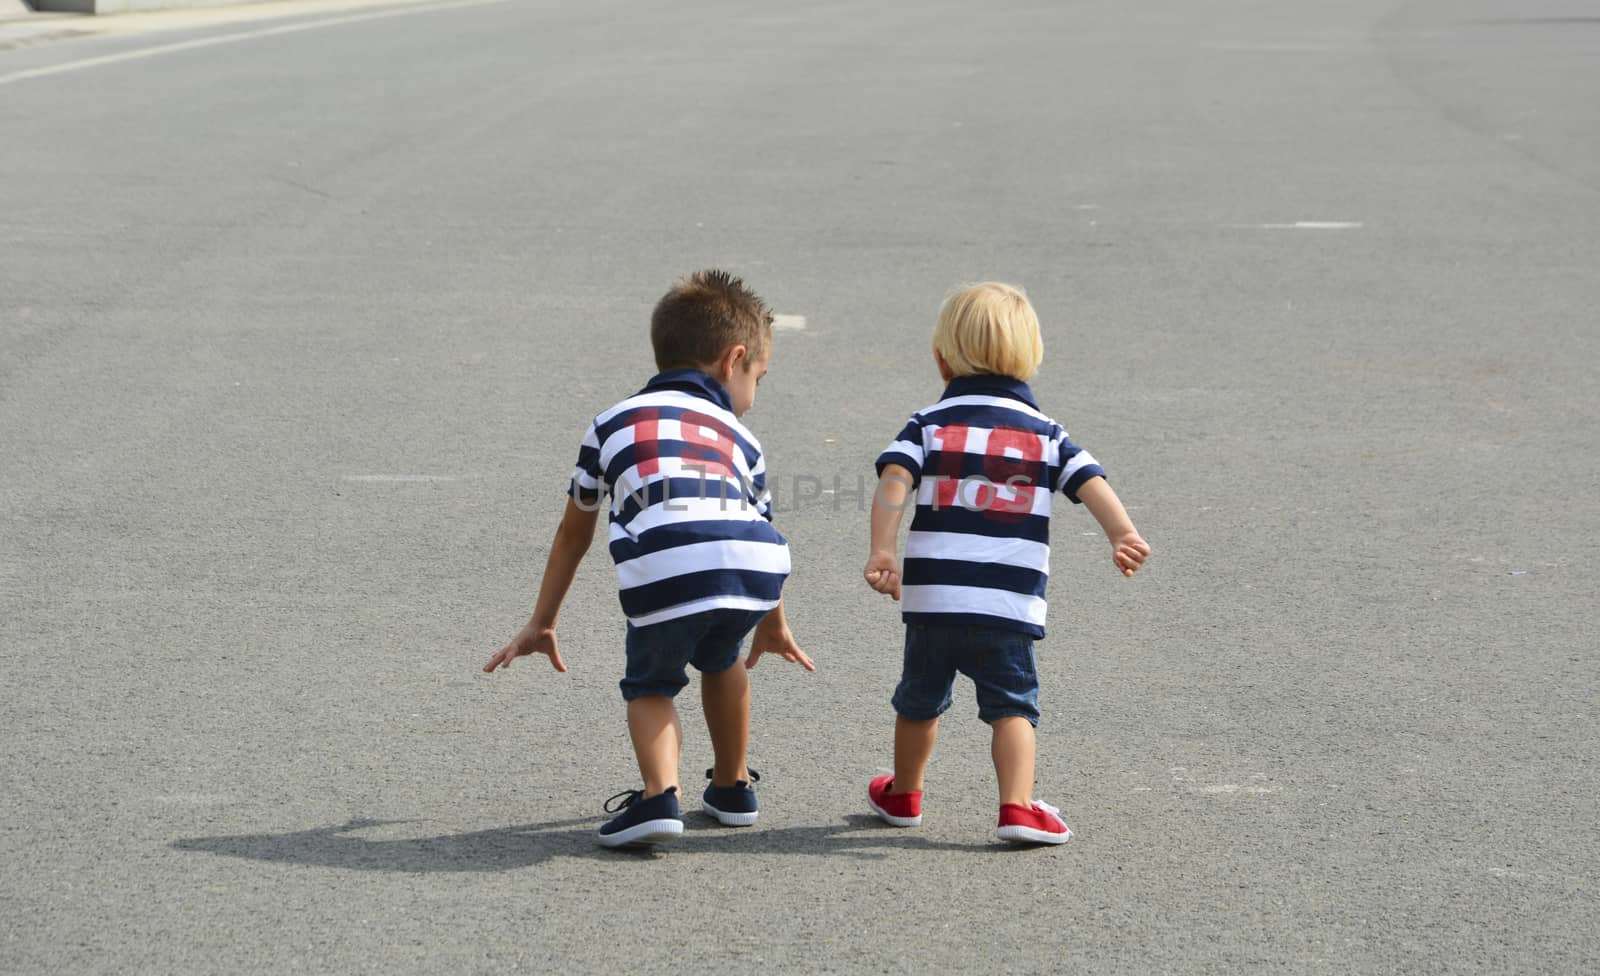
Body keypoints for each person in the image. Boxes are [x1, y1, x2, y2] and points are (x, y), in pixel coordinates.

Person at [484, 269, 814, 849]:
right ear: (733, 360)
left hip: (666, 569)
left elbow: (572, 533)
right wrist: (775, 622)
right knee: (724, 658)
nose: (755, 393)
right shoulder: (743, 439)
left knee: (652, 684)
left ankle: (661, 795)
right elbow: (755, 526)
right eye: (758, 377)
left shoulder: (609, 424)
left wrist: (544, 621)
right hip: (754, 567)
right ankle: (733, 786)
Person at [862, 281, 1150, 845]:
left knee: (919, 700)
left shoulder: (928, 424)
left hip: (935, 600)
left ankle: (904, 793)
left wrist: (882, 549)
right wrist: (1123, 533)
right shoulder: (1045, 434)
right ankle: (1017, 807)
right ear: (1030, 360)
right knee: (1012, 707)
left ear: (942, 358)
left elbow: (895, 479)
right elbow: (1090, 481)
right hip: (1006, 602)